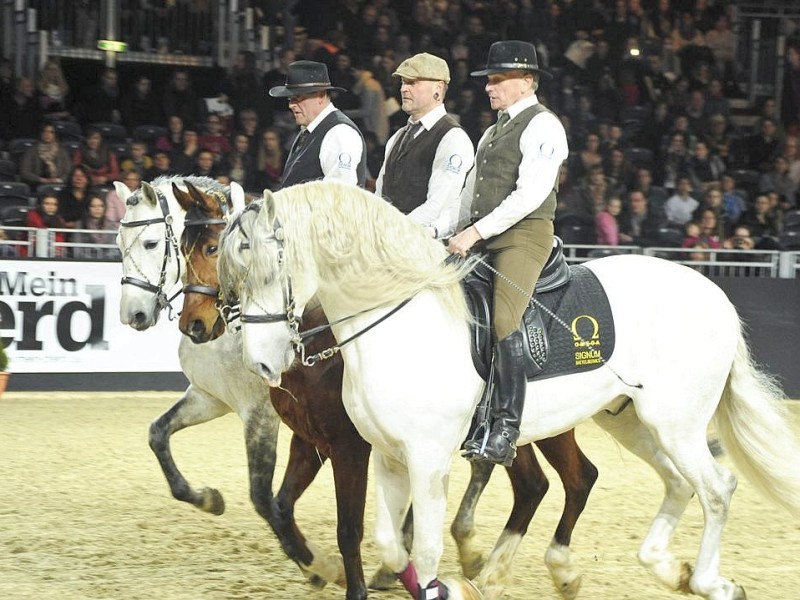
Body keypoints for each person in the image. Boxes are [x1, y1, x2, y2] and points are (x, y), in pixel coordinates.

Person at [447, 41, 568, 467]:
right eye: (489, 80)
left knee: (503, 318)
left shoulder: (544, 126)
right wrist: (445, 232)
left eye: (498, 80)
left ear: (527, 82)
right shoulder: (493, 130)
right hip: (483, 235)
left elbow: (530, 194)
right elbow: (469, 194)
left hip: (524, 236)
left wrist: (475, 232)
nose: (489, 87)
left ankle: (505, 427)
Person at [375, 53, 474, 239]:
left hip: (424, 247)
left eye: (413, 83)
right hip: (388, 241)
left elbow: (438, 206)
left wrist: (395, 233)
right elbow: (380, 194)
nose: (404, 89)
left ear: (438, 88)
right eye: (403, 82)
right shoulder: (397, 137)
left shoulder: (452, 138)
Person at [268, 60, 366, 188]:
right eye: (290, 99)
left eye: (297, 98)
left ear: (320, 96)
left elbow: (339, 193)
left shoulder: (340, 133)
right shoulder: (309, 131)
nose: (291, 105)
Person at [18, 122, 72, 190]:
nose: (47, 134)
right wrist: (41, 180)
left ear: (55, 135)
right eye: (44, 131)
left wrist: (58, 180)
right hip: (36, 186)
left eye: (51, 132)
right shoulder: (31, 151)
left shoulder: (62, 152)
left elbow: (69, 173)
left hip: (60, 187)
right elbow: (24, 172)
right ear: (41, 134)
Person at [72, 192, 120, 260]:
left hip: (108, 263)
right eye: (93, 206)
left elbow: (114, 249)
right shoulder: (80, 224)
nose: (97, 209)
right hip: (84, 263)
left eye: (101, 206)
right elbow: (77, 249)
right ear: (88, 208)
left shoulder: (112, 225)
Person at [23, 192, 66, 257]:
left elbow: (60, 238)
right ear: (41, 205)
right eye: (47, 204)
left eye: (54, 204)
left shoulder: (60, 220)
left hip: (55, 253)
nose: (51, 207)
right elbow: (38, 233)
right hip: (32, 252)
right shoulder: (32, 216)